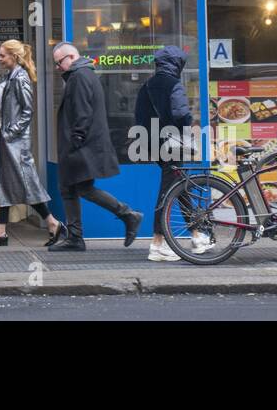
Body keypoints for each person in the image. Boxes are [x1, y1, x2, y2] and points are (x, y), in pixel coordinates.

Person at [48, 42, 143, 252]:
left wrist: (75, 141)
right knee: (69, 188)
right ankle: (75, 237)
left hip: (82, 146)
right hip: (83, 145)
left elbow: (82, 113)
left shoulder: (79, 76)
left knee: (83, 189)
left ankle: (128, 215)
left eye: (59, 63)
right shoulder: (84, 74)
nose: (57, 68)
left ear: (71, 57)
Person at [0, 39, 61, 247]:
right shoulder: (9, 76)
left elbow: (27, 111)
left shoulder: (20, 79)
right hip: (8, 140)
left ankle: (52, 223)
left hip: (16, 143)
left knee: (28, 183)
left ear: (14, 57)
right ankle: (0, 231)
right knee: (2, 182)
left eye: (2, 55)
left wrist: (10, 133)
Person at [134, 45, 207, 262]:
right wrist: (188, 124)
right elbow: (181, 114)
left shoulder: (146, 86)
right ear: (177, 64)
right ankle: (157, 244)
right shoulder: (174, 85)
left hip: (153, 144)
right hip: (173, 144)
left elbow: (138, 117)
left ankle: (196, 236)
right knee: (167, 192)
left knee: (180, 186)